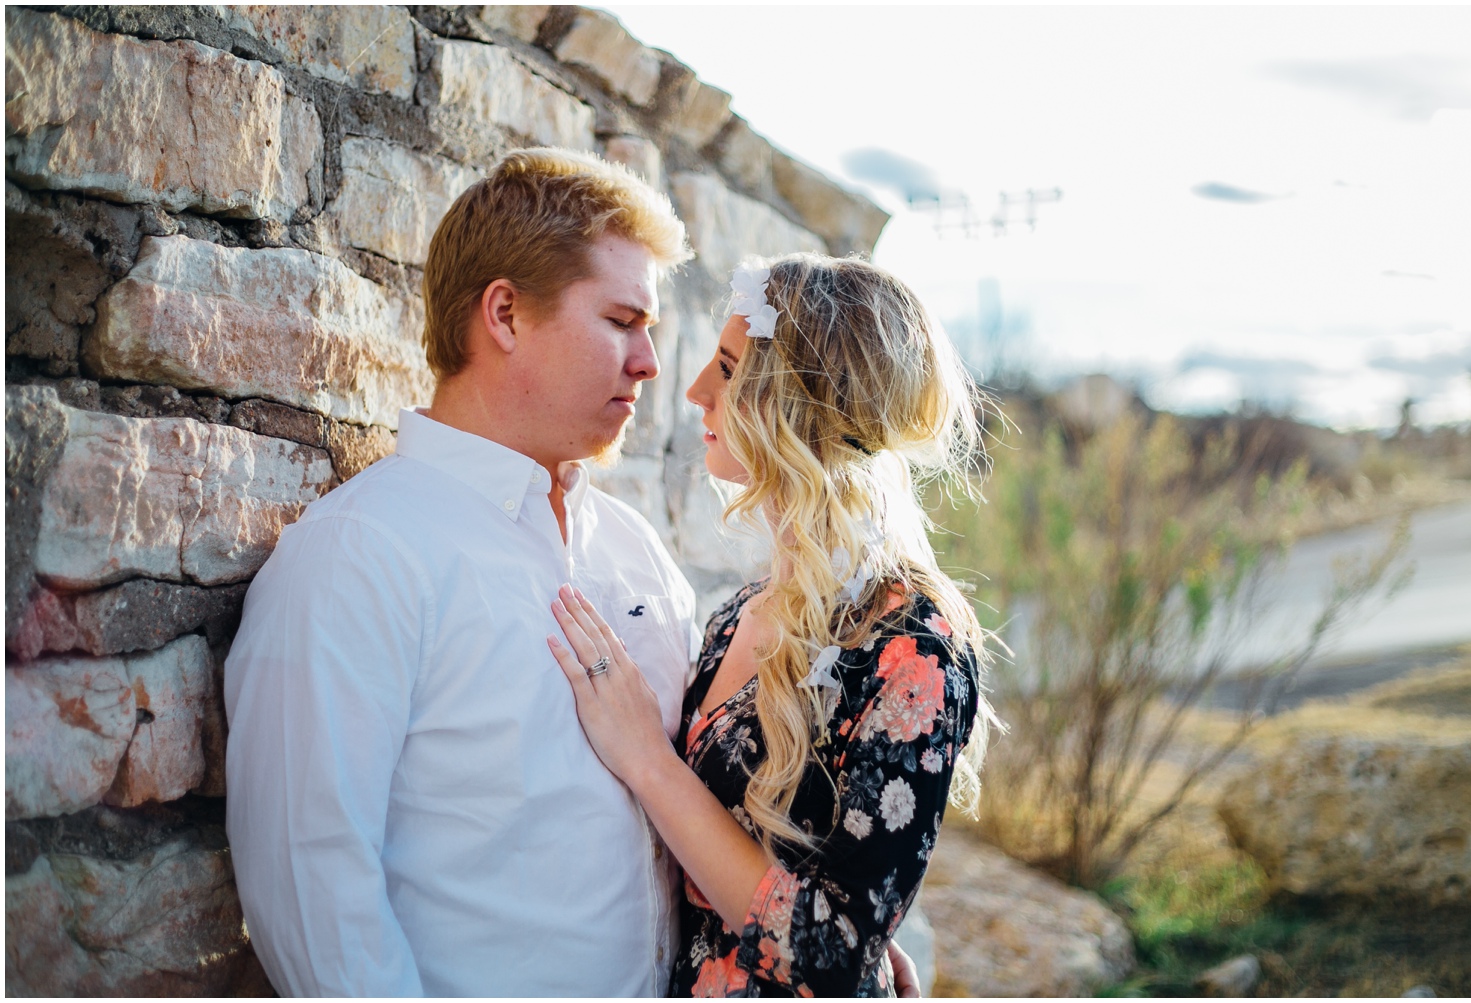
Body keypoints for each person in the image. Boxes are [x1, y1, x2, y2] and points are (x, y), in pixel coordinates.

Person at [222, 148, 702, 996]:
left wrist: (821, 926)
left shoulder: (638, 552)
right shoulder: (359, 555)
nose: (649, 363)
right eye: (623, 320)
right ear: (506, 313)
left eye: (650, 329)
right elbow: (311, 891)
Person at [545, 254, 996, 997]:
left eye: (727, 368)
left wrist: (648, 762)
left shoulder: (914, 650)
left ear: (800, 404)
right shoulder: (738, 614)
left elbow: (834, 958)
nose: (694, 391)